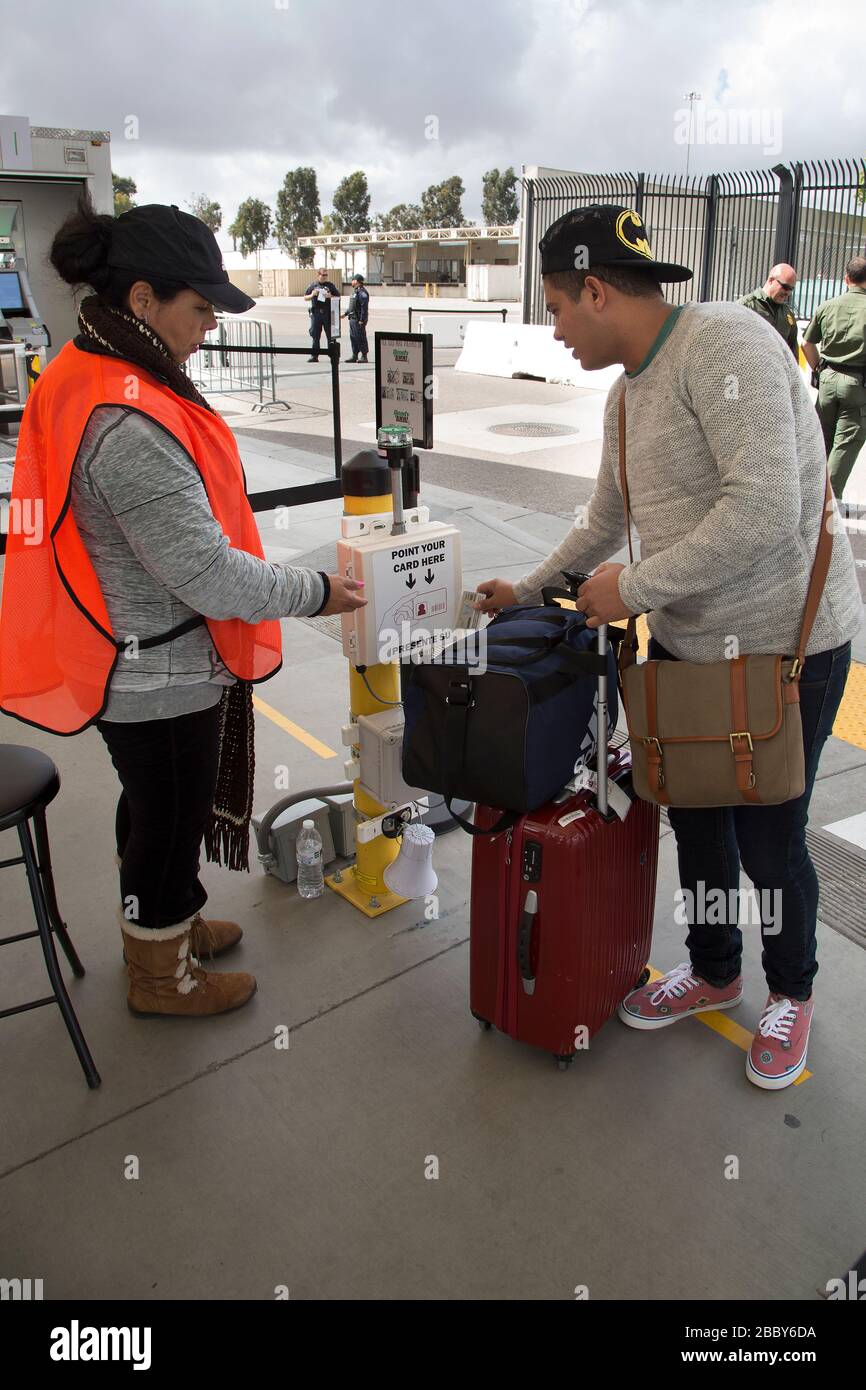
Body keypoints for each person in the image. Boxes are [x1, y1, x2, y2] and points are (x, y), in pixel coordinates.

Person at [475, 204, 862, 1091]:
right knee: (695, 821)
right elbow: (605, 520)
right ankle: (716, 969)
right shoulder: (624, 395)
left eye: (558, 308)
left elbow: (765, 513)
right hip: (692, 649)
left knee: (771, 836)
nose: (556, 330)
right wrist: (532, 587)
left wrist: (634, 590)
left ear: (598, 292)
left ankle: (791, 992)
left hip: (783, 650)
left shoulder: (726, 347)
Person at [0, 200, 366, 1020]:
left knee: (153, 806)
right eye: (198, 308)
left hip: (126, 659)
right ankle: (160, 973)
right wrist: (316, 591)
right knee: (168, 819)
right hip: (155, 675)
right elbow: (207, 574)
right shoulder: (125, 419)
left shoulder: (93, 373)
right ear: (141, 301)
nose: (208, 326)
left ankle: (171, 922)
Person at [802, 256, 866, 499]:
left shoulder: (827, 305)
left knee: (821, 438)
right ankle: (829, 501)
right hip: (857, 384)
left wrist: (819, 368)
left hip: (827, 379)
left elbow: (807, 343)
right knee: (846, 442)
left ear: (846, 279)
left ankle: (809, 493)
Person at [738, 263, 800, 359]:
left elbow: (793, 352)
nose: (788, 293)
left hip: (777, 371)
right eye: (785, 287)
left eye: (791, 289)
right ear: (771, 280)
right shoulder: (746, 306)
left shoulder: (788, 314)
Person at [304, 266, 339, 362]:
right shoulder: (313, 285)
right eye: (323, 275)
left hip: (327, 313)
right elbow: (305, 297)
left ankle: (332, 354)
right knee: (315, 335)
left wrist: (330, 296)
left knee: (330, 335)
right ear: (318, 275)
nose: (324, 277)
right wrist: (312, 295)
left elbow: (338, 296)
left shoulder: (330, 285)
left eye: (326, 275)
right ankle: (314, 355)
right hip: (316, 313)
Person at [343, 274, 370, 363]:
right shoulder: (355, 292)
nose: (352, 282)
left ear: (356, 281)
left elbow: (364, 307)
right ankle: (355, 355)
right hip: (352, 319)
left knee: (360, 337)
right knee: (353, 337)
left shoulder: (362, 293)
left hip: (358, 319)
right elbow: (352, 306)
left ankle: (364, 356)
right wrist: (345, 314)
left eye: (353, 280)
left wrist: (362, 320)